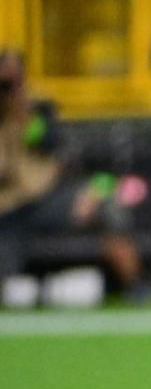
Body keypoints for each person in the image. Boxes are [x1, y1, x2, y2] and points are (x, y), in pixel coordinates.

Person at [0, 51, 142, 296]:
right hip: (7, 206)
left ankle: (135, 286)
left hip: (45, 200)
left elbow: (47, 141)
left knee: (106, 200)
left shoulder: (38, 107)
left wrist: (18, 104)